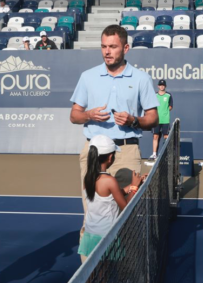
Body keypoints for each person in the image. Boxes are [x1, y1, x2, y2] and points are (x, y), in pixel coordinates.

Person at [69, 24, 159, 240]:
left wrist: (134, 120)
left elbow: (153, 118)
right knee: (92, 215)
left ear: (125, 48)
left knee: (124, 213)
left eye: (112, 46)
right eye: (103, 46)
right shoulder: (87, 76)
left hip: (126, 151)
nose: (107, 51)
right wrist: (89, 114)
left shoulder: (141, 79)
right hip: (93, 154)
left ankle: (121, 270)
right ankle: (90, 272)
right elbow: (74, 115)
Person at [78, 135, 145, 262]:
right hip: (106, 237)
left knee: (93, 275)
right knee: (107, 273)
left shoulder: (88, 178)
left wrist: (132, 185)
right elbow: (125, 208)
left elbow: (112, 194)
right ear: (110, 157)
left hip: (90, 235)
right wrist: (134, 187)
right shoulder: (110, 181)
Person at [149, 79, 173, 161]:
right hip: (156, 120)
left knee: (166, 137)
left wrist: (164, 112)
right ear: (158, 86)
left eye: (163, 85)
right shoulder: (154, 95)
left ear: (165, 86)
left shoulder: (168, 95)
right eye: (160, 85)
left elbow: (170, 107)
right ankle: (154, 154)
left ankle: (167, 154)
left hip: (165, 120)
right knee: (155, 136)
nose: (162, 86)